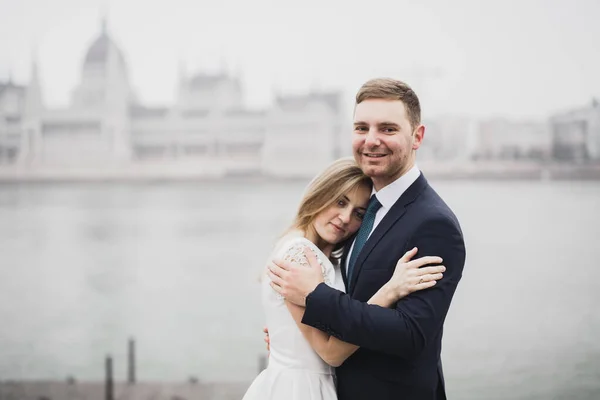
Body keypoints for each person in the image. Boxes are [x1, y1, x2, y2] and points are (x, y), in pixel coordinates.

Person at [267, 78, 466, 400]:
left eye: (387, 129)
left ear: (417, 136)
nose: (371, 140)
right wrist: (296, 336)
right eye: (362, 128)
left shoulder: (432, 223)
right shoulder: (364, 212)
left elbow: (411, 334)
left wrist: (315, 297)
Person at [242, 158, 446, 400]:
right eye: (340, 202)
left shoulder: (328, 257)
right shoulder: (298, 253)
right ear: (320, 194)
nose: (345, 218)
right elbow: (331, 353)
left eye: (359, 213)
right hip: (301, 389)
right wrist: (391, 290)